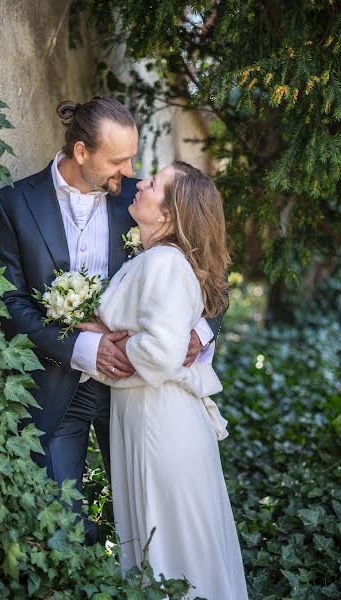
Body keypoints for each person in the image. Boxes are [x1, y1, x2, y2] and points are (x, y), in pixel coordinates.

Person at [0, 97, 223, 543]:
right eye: (118, 159)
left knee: (155, 521)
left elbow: (210, 275)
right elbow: (11, 302)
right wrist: (82, 347)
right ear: (82, 152)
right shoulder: (15, 204)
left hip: (141, 398)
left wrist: (197, 333)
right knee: (58, 521)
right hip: (60, 385)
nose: (129, 169)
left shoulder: (142, 203)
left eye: (132, 158)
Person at [80, 161, 248, 599]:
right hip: (146, 418)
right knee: (159, 544)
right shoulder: (153, 257)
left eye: (153, 183)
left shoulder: (166, 264)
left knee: (173, 548)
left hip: (161, 425)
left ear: (169, 214)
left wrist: (109, 343)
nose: (139, 182)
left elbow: (161, 352)